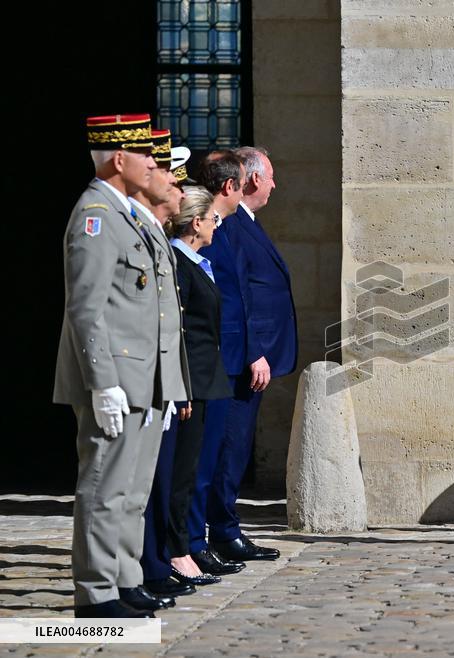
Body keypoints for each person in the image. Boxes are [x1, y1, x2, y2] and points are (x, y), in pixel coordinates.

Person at [53, 114, 167, 618]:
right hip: (116, 378)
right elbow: (87, 307)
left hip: (140, 377)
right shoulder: (95, 214)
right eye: (145, 154)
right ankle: (97, 593)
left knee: (131, 489)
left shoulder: (129, 215)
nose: (153, 163)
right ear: (120, 159)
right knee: (103, 486)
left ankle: (125, 578)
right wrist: (102, 384)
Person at [134, 131, 223, 600]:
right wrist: (177, 384)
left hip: (183, 379)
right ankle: (144, 567)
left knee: (178, 475)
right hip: (155, 381)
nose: (171, 185)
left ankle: (156, 560)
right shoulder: (115, 223)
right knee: (151, 483)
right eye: (166, 176)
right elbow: (172, 326)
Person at [197, 146, 297, 563]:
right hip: (242, 356)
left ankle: (222, 528)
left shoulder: (245, 222)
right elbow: (237, 296)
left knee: (233, 446)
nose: (274, 184)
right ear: (252, 180)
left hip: (253, 356)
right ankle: (219, 530)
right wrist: (255, 351)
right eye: (271, 176)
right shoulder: (231, 225)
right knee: (227, 447)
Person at [183, 151, 251, 576]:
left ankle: (195, 541)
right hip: (208, 360)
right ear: (229, 186)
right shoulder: (208, 231)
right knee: (196, 463)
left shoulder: (225, 229)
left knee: (208, 459)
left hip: (220, 360)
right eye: (243, 183)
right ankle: (187, 543)